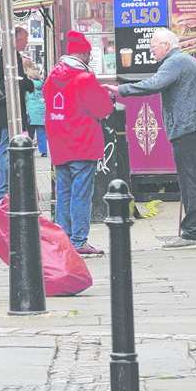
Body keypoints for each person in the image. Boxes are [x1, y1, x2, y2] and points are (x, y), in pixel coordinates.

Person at [109, 27, 196, 246]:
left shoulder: (174, 62)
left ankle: (191, 233)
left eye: (153, 47)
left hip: (186, 129)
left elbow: (153, 84)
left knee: (191, 182)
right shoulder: (188, 61)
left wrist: (120, 90)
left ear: (166, 45)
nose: (151, 51)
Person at [41, 32, 113, 256]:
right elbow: (103, 109)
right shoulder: (84, 78)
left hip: (60, 144)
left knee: (64, 193)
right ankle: (79, 240)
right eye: (89, 54)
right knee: (81, 194)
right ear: (83, 54)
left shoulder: (52, 76)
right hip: (83, 143)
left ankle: (64, 239)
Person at [0, 26, 34, 200]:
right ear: (15, 40)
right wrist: (27, 84)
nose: (26, 43)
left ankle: (7, 188)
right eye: (24, 40)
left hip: (7, 112)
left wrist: (26, 83)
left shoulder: (10, 56)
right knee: (5, 149)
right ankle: (3, 191)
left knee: (6, 148)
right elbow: (13, 83)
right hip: (7, 113)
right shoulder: (7, 58)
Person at [23, 59, 48, 159]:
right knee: (41, 132)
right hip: (41, 110)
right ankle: (44, 151)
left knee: (30, 133)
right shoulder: (41, 84)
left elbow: (25, 98)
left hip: (31, 111)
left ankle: (29, 150)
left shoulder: (29, 85)